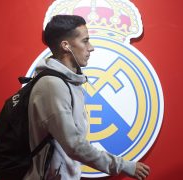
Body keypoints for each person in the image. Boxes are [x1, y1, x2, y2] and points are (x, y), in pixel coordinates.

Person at [24, 15, 150, 180]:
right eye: (85, 41)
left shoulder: (67, 82)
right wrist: (122, 165)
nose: (91, 48)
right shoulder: (52, 85)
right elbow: (74, 145)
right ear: (66, 46)